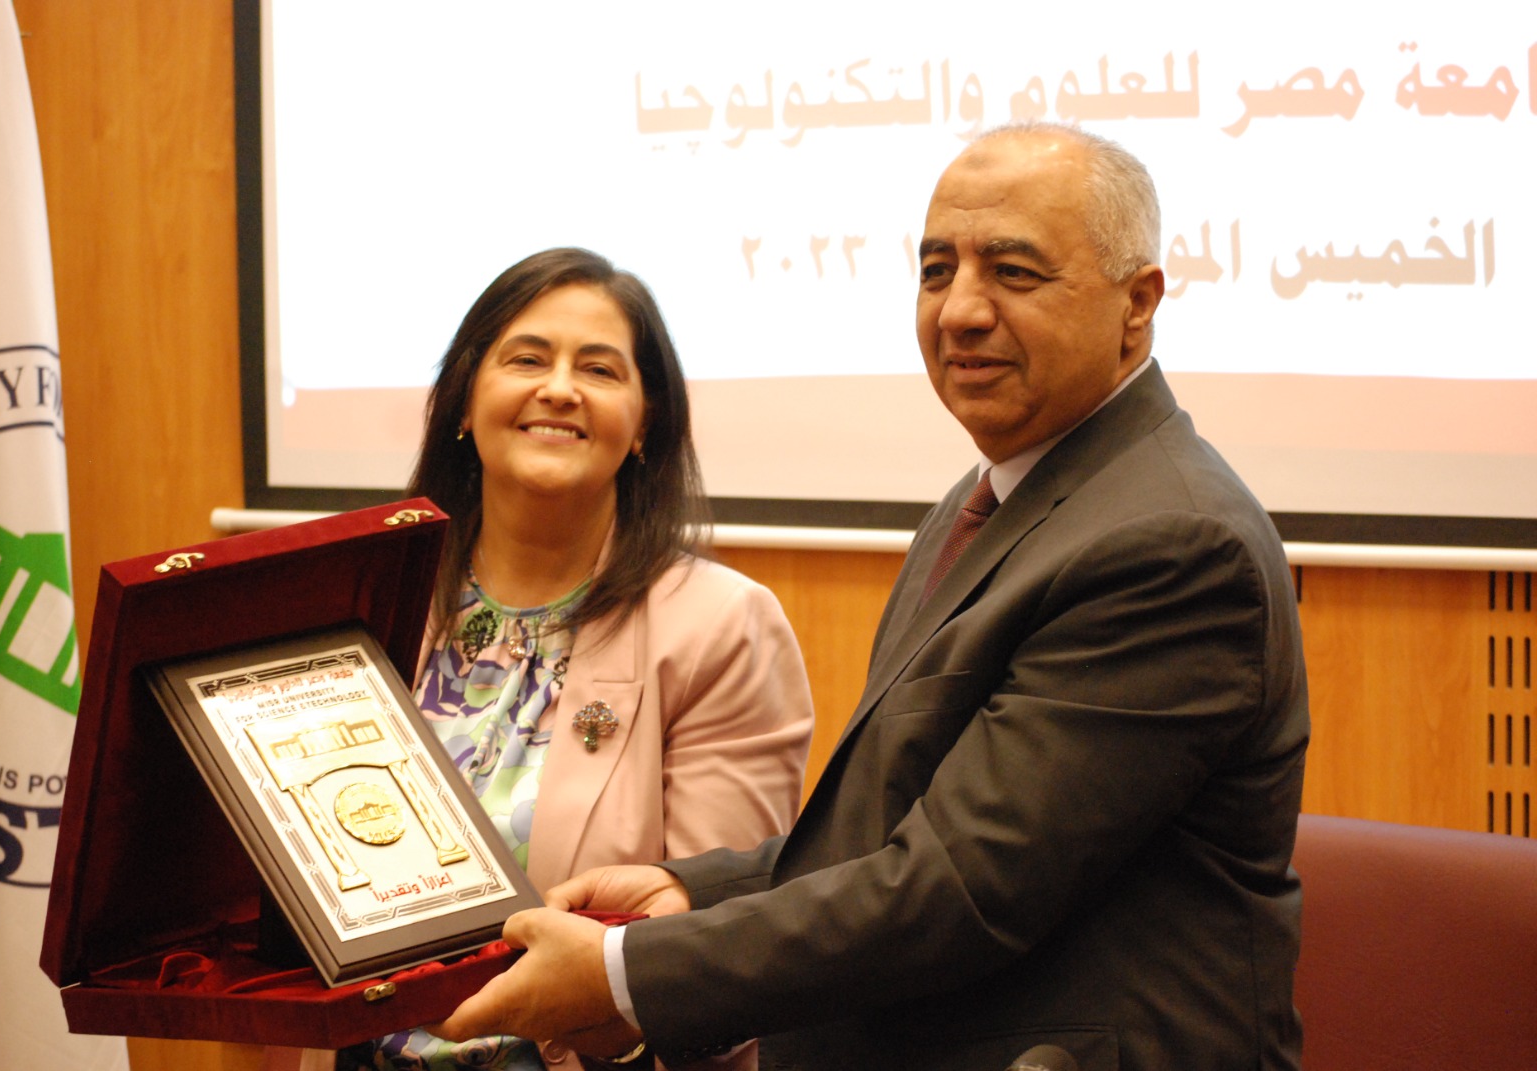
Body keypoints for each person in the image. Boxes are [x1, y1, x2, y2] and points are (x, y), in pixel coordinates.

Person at [422, 124, 1310, 1071]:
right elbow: (885, 831)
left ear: (1138, 304)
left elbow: (960, 887)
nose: (960, 311)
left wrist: (624, 972)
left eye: (1012, 272)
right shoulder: (991, 503)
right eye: (936, 271)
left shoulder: (1170, 542)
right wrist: (692, 894)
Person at [317, 248, 813, 1071]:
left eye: (599, 369)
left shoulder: (721, 627)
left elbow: (718, 953)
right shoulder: (365, 603)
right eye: (526, 359)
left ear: (645, 422)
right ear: (463, 402)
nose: (559, 388)